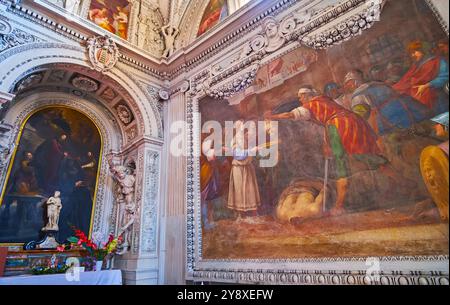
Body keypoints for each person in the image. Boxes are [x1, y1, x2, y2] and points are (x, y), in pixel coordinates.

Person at [265, 86, 391, 215]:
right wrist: (327, 142)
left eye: (301, 96)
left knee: (340, 163)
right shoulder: (326, 100)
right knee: (364, 154)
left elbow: (290, 114)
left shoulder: (312, 105)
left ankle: (339, 205)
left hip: (339, 126)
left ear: (307, 95)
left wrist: (273, 116)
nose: (300, 99)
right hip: (355, 122)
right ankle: (393, 173)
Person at [344, 69, 432, 137]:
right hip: (406, 108)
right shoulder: (379, 84)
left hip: (387, 117)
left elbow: (361, 116)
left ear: (355, 81)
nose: (349, 86)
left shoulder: (358, 95)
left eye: (350, 83)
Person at [393, 40, 449, 115]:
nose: (412, 55)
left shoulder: (438, 61)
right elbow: (406, 80)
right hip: (419, 99)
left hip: (437, 97)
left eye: (414, 52)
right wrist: (392, 89)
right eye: (411, 54)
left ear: (423, 50)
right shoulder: (415, 66)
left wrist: (427, 85)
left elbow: (445, 76)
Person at [226, 121, 261, 219]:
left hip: (247, 167)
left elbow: (252, 136)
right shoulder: (234, 140)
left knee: (250, 190)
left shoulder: (245, 138)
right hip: (238, 168)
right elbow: (237, 155)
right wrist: (251, 151)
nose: (243, 127)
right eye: (241, 125)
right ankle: (240, 214)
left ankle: (254, 213)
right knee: (239, 191)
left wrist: (254, 149)